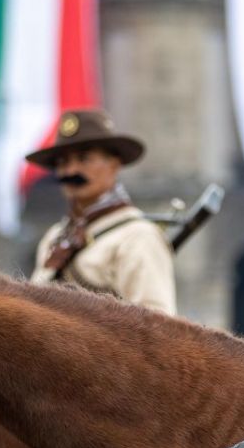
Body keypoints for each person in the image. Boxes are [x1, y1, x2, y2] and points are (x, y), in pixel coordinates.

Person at [28, 110, 177, 314]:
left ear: (114, 165)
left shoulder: (138, 236)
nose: (71, 171)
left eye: (84, 159)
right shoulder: (55, 236)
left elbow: (157, 329)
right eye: (63, 162)